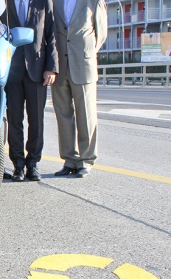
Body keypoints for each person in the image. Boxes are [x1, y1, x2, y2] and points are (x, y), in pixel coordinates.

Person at [2, 0, 58, 182]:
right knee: (14, 120)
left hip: (37, 68)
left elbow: (52, 34)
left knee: (36, 120)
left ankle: (33, 163)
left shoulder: (43, 2)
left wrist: (51, 67)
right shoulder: (4, 4)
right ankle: (18, 164)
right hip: (12, 70)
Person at [51, 0, 107, 178]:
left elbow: (101, 34)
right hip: (59, 65)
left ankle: (86, 159)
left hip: (82, 64)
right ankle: (69, 159)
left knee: (86, 115)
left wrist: (86, 53)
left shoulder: (93, 1)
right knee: (63, 114)